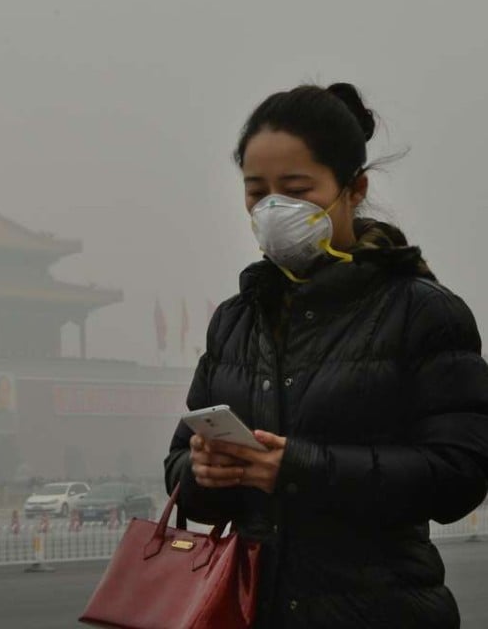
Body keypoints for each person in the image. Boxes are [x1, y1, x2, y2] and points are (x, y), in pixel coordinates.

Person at [164, 83, 488, 628]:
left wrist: (295, 469)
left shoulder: (422, 312)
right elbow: (179, 471)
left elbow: (460, 476)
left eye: (296, 189)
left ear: (353, 188)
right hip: (254, 610)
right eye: (256, 191)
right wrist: (203, 472)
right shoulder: (236, 320)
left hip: (383, 612)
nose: (273, 209)